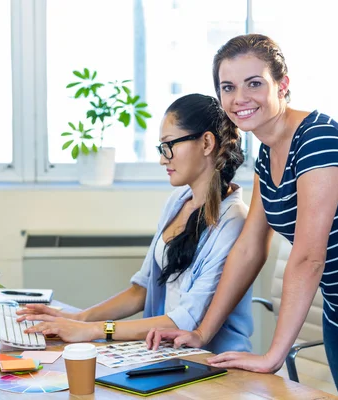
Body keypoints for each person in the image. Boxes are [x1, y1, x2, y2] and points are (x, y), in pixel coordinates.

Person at [146, 34, 338, 400]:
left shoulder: (318, 141)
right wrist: (202, 333)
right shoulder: (268, 154)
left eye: (254, 83)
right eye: (228, 87)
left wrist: (272, 357)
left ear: (282, 85)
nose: (240, 98)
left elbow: (309, 256)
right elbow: (249, 248)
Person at [16, 93, 253, 354]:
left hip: (212, 362)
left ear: (206, 142)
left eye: (168, 145)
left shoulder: (233, 221)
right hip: (167, 353)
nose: (163, 158)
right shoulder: (178, 201)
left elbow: (186, 321)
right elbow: (141, 290)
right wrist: (78, 318)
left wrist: (95, 330)